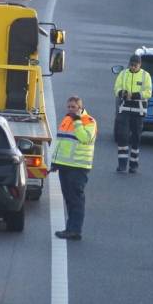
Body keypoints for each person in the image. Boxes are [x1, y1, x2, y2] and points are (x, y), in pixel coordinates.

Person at [52, 96, 96, 241]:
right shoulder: (66, 119)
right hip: (65, 166)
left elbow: (84, 138)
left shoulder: (89, 121)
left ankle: (75, 230)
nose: (71, 109)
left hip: (78, 167)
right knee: (69, 199)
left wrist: (77, 121)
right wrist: (55, 162)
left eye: (73, 107)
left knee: (76, 199)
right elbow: (61, 143)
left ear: (80, 107)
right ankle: (71, 229)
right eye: (69, 107)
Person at [113, 54, 152, 173]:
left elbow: (148, 92)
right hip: (124, 110)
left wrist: (135, 95)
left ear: (140, 65)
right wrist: (122, 93)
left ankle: (133, 164)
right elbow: (116, 88)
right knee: (123, 137)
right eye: (132, 64)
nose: (133, 67)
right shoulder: (123, 74)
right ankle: (122, 165)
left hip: (138, 112)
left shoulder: (145, 76)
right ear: (129, 64)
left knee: (136, 138)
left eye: (136, 65)